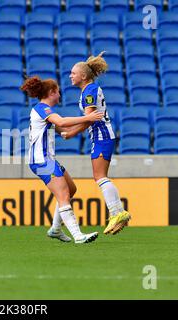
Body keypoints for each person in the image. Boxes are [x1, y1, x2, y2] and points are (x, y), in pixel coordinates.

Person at [20, 76, 104, 244]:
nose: (59, 95)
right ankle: (78, 236)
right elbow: (62, 122)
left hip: (47, 159)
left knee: (71, 189)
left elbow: (63, 130)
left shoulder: (44, 112)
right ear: (51, 92)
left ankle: (56, 229)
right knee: (63, 194)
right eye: (57, 91)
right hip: (41, 161)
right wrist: (87, 118)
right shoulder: (43, 109)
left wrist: (79, 129)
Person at [61, 51, 131, 235]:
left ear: (83, 76)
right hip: (101, 135)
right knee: (100, 176)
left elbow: (90, 119)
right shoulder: (89, 90)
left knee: (100, 176)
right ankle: (117, 212)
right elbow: (89, 118)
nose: (70, 75)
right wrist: (72, 132)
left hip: (102, 136)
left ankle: (117, 212)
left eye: (73, 73)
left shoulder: (89, 91)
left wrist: (71, 132)